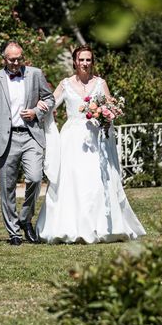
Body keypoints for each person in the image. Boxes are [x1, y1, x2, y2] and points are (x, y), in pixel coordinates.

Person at [35, 46, 146, 243]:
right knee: (73, 179)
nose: (85, 63)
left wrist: (107, 113)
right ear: (75, 62)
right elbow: (51, 103)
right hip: (72, 138)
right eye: (81, 60)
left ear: (92, 62)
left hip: (95, 138)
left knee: (97, 179)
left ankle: (101, 226)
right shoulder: (65, 84)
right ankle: (69, 226)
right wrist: (38, 108)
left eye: (88, 60)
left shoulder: (100, 83)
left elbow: (110, 107)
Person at [0, 42, 55, 246]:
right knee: (7, 187)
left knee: (35, 177)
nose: (16, 63)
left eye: (19, 58)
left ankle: (25, 218)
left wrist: (37, 112)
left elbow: (50, 99)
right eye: (11, 59)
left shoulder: (35, 74)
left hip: (31, 135)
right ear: (4, 58)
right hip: (6, 139)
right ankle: (14, 231)